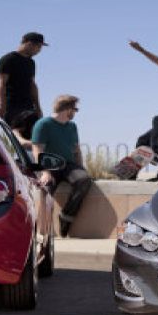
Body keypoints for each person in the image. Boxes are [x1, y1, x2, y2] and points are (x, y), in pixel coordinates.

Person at [31, 95, 92, 237]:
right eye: (75, 109)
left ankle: (66, 217)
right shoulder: (43, 124)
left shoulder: (72, 126)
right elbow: (37, 150)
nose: (75, 113)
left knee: (84, 180)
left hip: (68, 165)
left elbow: (76, 150)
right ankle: (43, 233)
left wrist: (81, 168)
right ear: (67, 109)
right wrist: (45, 172)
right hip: (49, 165)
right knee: (46, 190)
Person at [0, 32, 48, 146]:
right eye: (38, 46)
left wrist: (38, 107)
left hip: (28, 107)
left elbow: (32, 84)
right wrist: (1, 106)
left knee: (30, 137)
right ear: (29, 44)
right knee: (11, 139)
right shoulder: (8, 59)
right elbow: (1, 83)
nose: (39, 50)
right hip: (11, 106)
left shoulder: (31, 63)